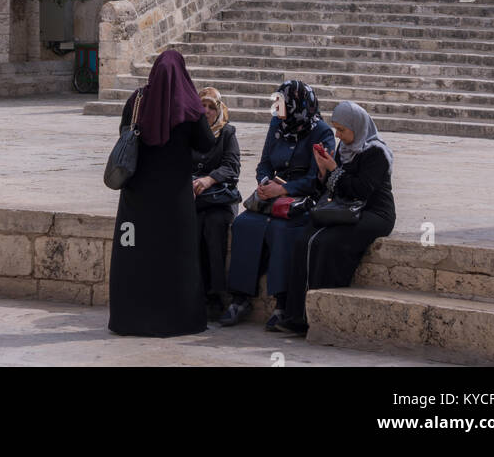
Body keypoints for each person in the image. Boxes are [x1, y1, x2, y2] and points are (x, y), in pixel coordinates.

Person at [108, 48, 216, 337]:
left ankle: (129, 319)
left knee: (133, 255)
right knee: (175, 257)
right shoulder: (189, 107)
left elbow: (124, 133)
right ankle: (177, 320)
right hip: (173, 199)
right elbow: (206, 143)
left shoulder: (137, 100)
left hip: (136, 198)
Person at [268, 99, 396, 335]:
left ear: (356, 127)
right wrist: (323, 170)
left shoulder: (376, 152)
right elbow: (334, 188)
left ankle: (319, 316)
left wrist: (333, 169)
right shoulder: (345, 149)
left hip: (374, 212)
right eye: (336, 129)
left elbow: (361, 190)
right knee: (305, 240)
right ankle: (297, 314)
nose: (337, 135)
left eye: (342, 130)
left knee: (326, 243)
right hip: (345, 208)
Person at [219, 79, 334, 326]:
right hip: (271, 195)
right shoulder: (277, 125)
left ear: (297, 104)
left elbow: (315, 178)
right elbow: (264, 163)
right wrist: (264, 183)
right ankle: (240, 298)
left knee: (281, 229)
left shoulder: (321, 131)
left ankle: (282, 303)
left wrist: (283, 189)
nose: (277, 109)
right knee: (244, 224)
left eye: (281, 104)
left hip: (301, 199)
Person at [193, 86, 241, 322]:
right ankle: (195, 293)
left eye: (211, 107)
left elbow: (232, 167)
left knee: (213, 225)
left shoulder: (227, 133)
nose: (207, 111)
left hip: (219, 199)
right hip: (196, 199)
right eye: (202, 106)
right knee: (192, 225)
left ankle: (215, 296)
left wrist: (210, 179)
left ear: (219, 109)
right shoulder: (191, 133)